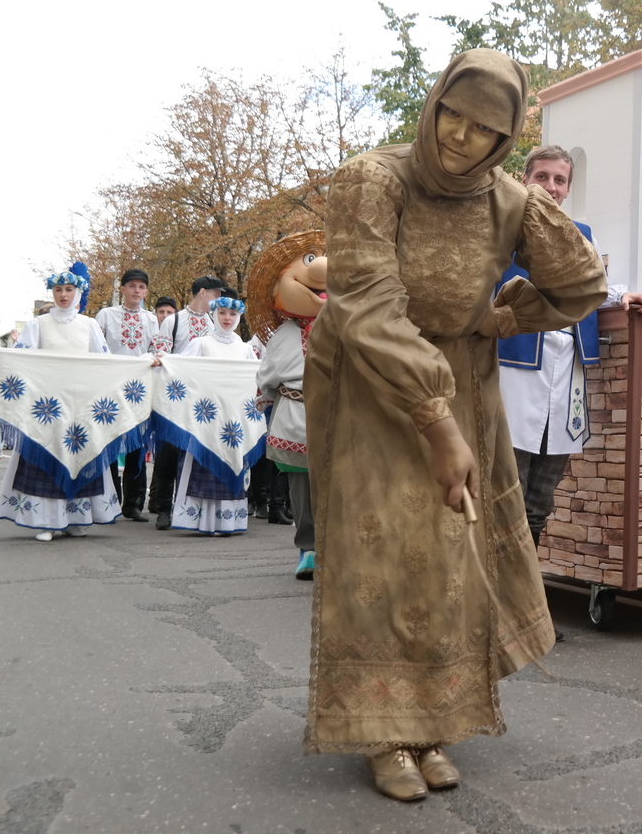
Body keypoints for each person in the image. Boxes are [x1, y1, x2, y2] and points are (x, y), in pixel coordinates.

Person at [302, 49, 606, 801]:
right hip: (376, 377)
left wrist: (500, 318)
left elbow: (582, 281)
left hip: (464, 378)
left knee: (446, 550)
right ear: (433, 103)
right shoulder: (377, 177)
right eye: (452, 116)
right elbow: (365, 301)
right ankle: (381, 730)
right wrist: (436, 419)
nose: (460, 138)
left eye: (484, 131)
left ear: (507, 142)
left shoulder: (509, 200)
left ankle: (431, 722)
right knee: (383, 551)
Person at [498, 145, 642, 552]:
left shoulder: (582, 234)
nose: (551, 187)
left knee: (540, 502)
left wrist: (623, 296)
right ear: (525, 180)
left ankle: (525, 592)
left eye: (560, 180)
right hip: (515, 374)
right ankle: (498, 597)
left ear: (568, 188)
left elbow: (590, 290)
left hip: (565, 377)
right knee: (505, 498)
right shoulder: (502, 228)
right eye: (543, 177)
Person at [0, 270, 120, 542]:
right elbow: (19, 360)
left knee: (80, 459)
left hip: (80, 407)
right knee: (46, 459)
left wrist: (143, 363)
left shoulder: (89, 325)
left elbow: (105, 363)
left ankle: (77, 518)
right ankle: (47, 521)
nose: (63, 295)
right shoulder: (38, 324)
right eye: (58, 290)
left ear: (78, 293)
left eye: (69, 290)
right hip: (45, 408)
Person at [250, 230, 328, 580]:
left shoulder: (345, 326)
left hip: (338, 413)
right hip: (296, 412)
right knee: (302, 485)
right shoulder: (284, 334)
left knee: (339, 483)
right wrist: (265, 395)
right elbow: (268, 374)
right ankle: (308, 548)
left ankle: (338, 547)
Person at [167, 296, 256, 536]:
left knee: (233, 464)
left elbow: (254, 381)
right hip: (206, 420)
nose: (227, 318)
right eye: (223, 313)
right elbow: (180, 368)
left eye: (232, 314)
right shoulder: (201, 344)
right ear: (214, 315)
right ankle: (202, 521)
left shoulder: (245, 349)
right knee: (203, 466)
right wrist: (160, 361)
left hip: (233, 423)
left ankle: (229, 521)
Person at [148, 276, 224, 529]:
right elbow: (159, 355)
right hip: (174, 395)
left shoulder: (215, 323)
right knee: (168, 453)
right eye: (215, 295)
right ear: (202, 292)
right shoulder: (174, 320)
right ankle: (163, 509)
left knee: (195, 453)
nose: (217, 300)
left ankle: (189, 509)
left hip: (202, 399)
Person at [95, 268, 160, 521]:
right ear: (122, 289)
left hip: (138, 390)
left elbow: (156, 350)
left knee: (136, 445)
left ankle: (133, 504)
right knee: (109, 445)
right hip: (110, 388)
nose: (136, 291)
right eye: (131, 286)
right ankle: (109, 502)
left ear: (146, 291)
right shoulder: (105, 316)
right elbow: (98, 351)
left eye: (141, 287)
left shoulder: (151, 319)